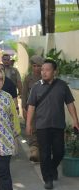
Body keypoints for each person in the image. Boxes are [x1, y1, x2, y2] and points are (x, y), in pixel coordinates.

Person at [26, 58, 79, 190]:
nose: (43, 72)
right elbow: (31, 107)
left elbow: (70, 104)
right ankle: (48, 179)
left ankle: (52, 168)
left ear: (55, 71)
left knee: (59, 152)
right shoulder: (36, 87)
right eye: (42, 70)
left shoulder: (62, 86)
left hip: (58, 125)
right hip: (42, 126)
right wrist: (28, 124)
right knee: (44, 154)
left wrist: (75, 120)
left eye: (47, 70)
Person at [22, 55, 43, 162]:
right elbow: (24, 93)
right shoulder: (28, 78)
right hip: (31, 109)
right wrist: (23, 108)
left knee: (42, 130)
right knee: (32, 130)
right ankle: (34, 151)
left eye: (39, 66)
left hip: (44, 110)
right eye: (34, 66)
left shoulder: (46, 78)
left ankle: (40, 151)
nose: (36, 68)